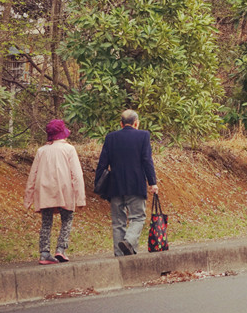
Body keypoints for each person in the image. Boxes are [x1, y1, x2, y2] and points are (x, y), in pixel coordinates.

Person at [95, 109, 159, 256]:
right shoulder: (143, 135)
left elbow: (102, 163)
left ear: (121, 123)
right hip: (136, 184)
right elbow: (147, 160)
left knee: (118, 221)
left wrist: (99, 184)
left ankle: (120, 254)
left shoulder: (111, 137)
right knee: (138, 217)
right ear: (136, 123)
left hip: (115, 186)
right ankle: (129, 242)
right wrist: (152, 182)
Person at [24, 119, 86, 265]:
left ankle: (44, 253)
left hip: (44, 189)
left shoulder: (41, 151)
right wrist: (80, 198)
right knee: (67, 219)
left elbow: (33, 175)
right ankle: (61, 249)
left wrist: (28, 198)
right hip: (64, 189)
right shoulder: (69, 149)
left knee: (46, 222)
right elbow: (77, 175)